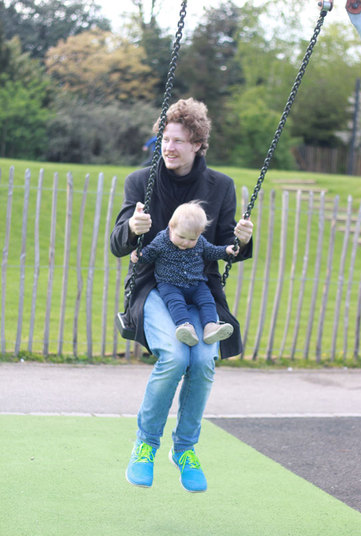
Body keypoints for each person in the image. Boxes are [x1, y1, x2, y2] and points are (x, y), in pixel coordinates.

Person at [110, 98, 253, 493]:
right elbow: (118, 243)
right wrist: (133, 227)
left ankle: (185, 449)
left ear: (198, 145)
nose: (168, 147)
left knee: (204, 359)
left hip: (201, 289)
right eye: (165, 139)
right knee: (174, 356)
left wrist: (242, 240)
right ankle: (146, 445)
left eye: (178, 141)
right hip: (155, 287)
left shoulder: (220, 186)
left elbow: (227, 247)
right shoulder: (142, 181)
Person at [130, 201, 239, 347]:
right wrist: (139, 255)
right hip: (169, 284)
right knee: (176, 303)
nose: (185, 243)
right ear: (171, 226)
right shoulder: (162, 240)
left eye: (191, 239)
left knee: (207, 301)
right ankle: (185, 327)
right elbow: (149, 253)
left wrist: (226, 250)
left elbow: (211, 251)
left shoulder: (200, 242)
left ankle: (210, 327)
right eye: (181, 237)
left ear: (199, 234)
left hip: (196, 283)